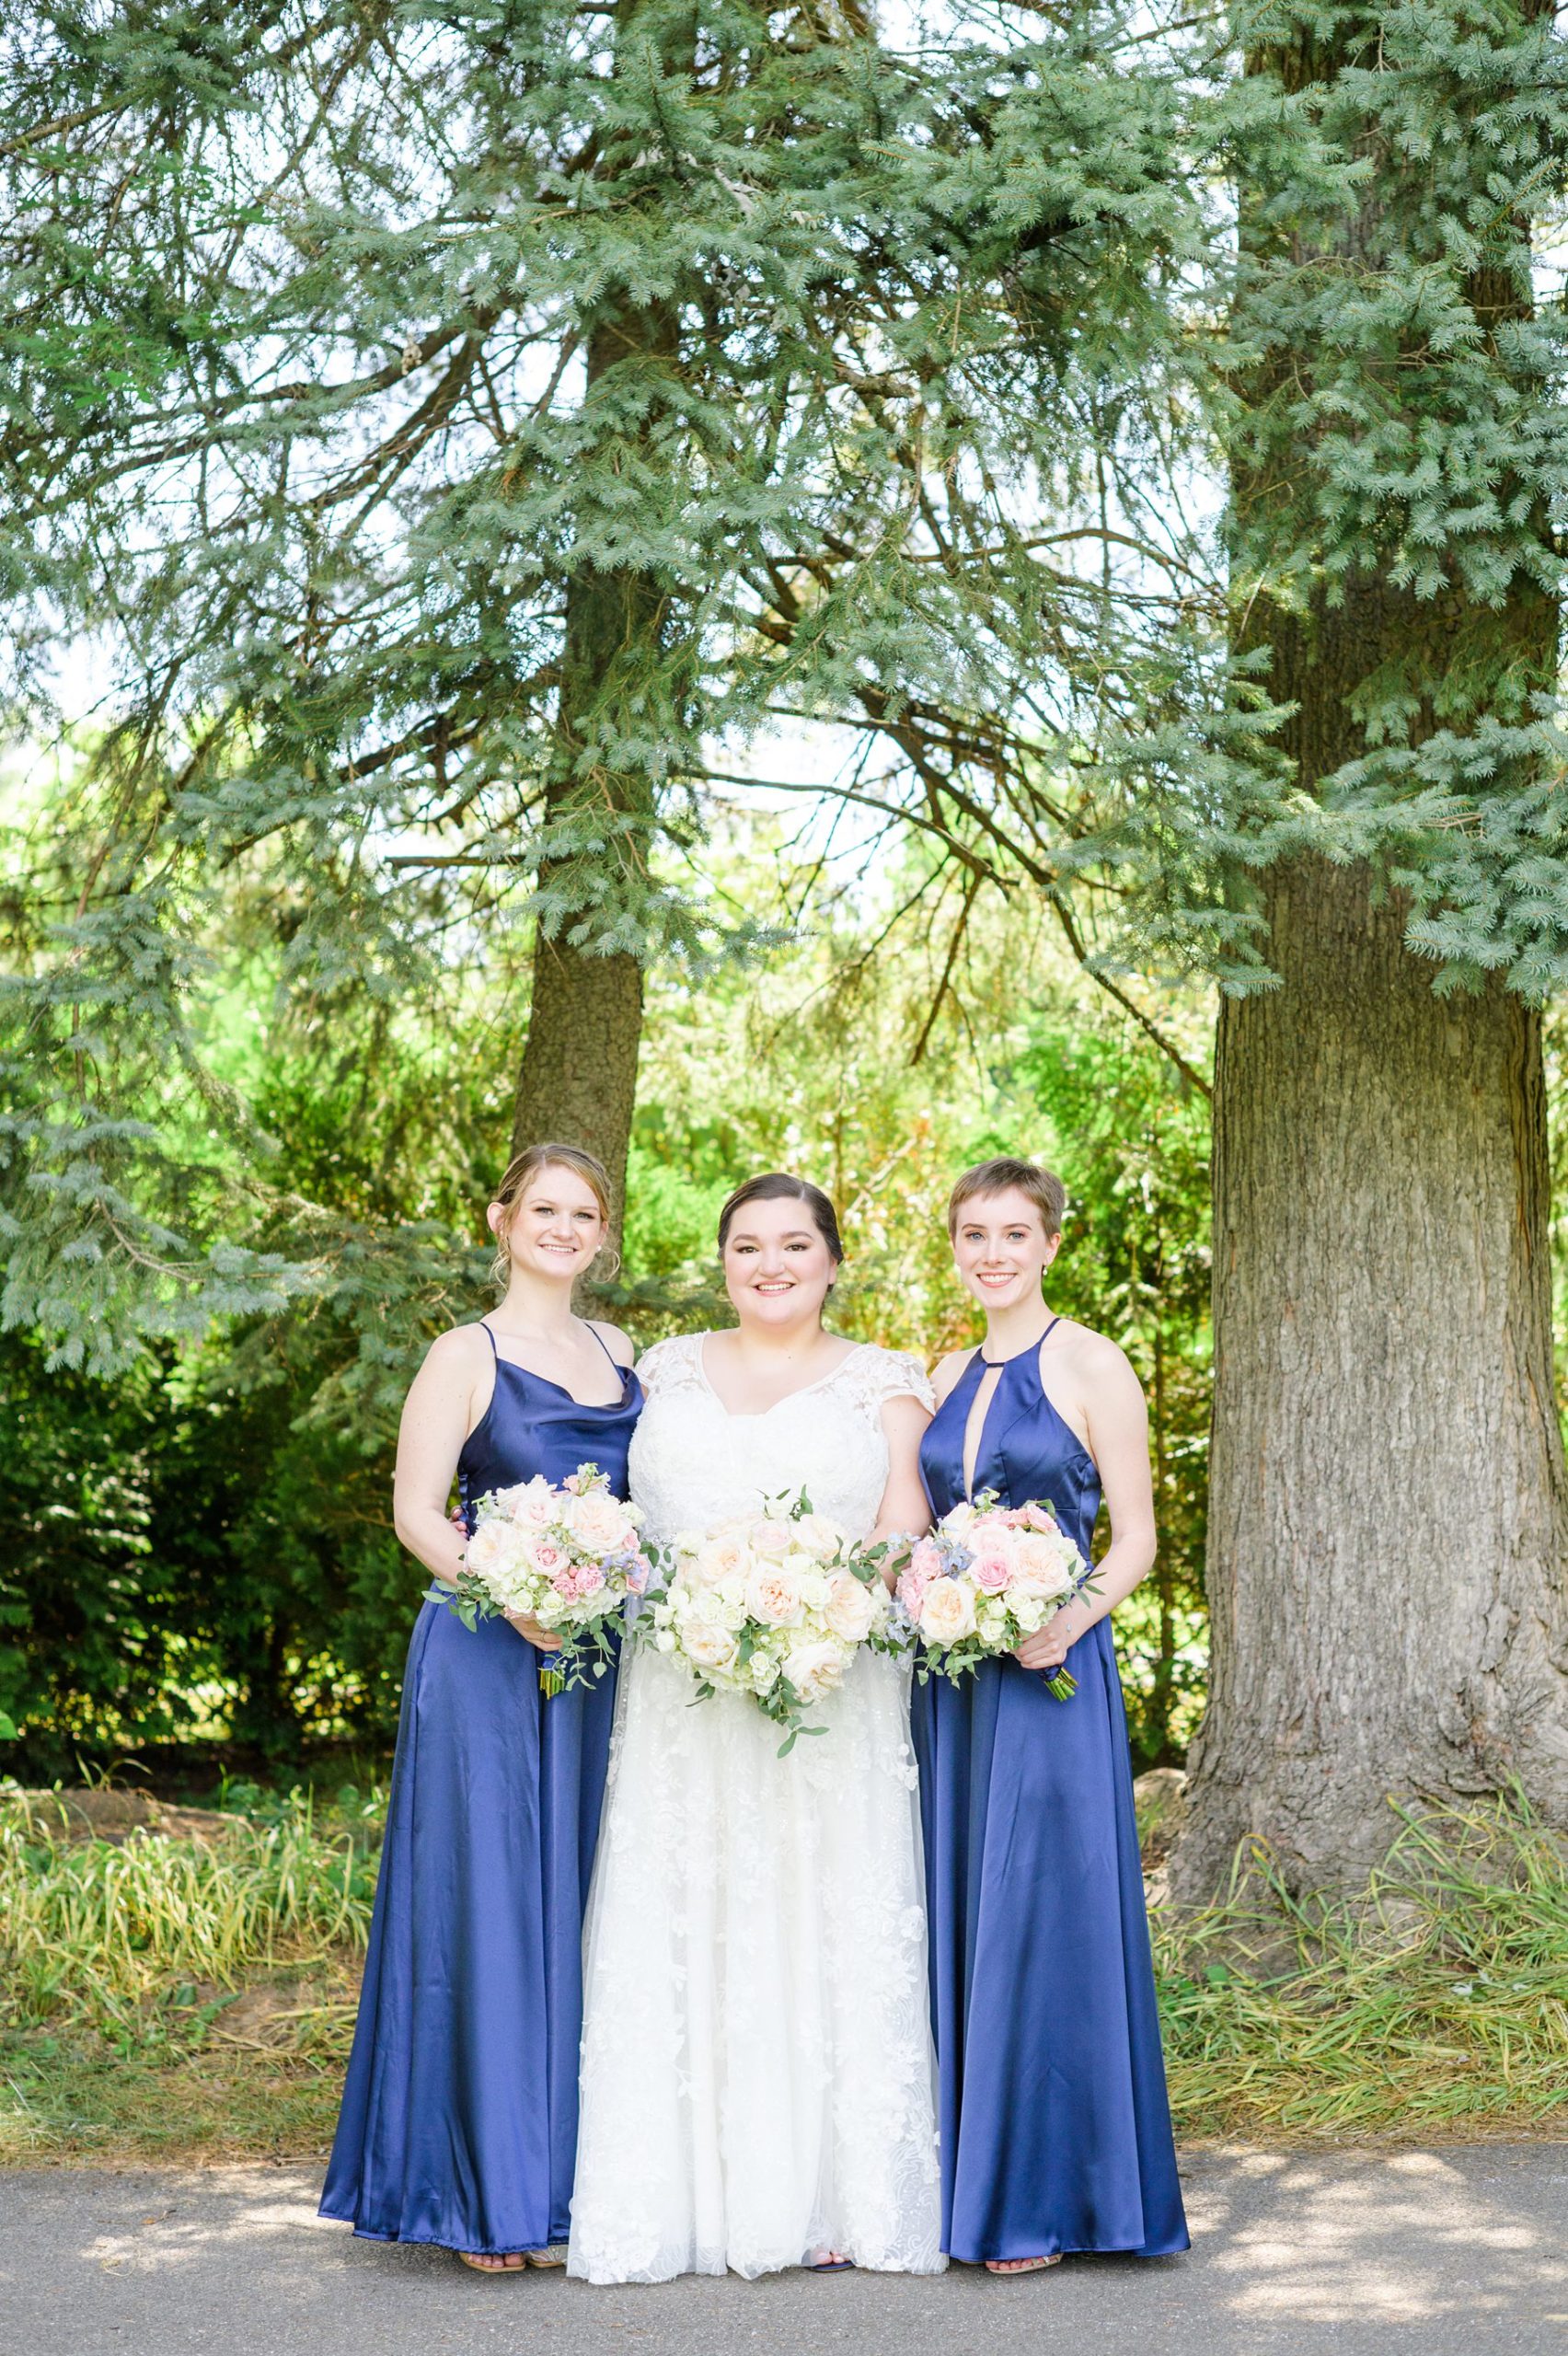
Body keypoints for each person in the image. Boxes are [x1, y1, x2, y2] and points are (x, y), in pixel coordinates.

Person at [566, 1172, 944, 2283]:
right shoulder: (665, 1366)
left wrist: (818, 1607)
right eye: (747, 1245)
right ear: (722, 1262)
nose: (769, 1263)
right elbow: (623, 1514)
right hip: (679, 1685)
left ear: (833, 1260)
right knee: (690, 1910)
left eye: (793, 1243)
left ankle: (830, 2195)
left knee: (821, 1907)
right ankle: (688, 2197)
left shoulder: (886, 1380)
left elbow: (902, 1522)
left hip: (829, 1683)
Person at [318, 1143, 641, 2273]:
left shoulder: (623, 1350)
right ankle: (479, 2196)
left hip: (599, 1659)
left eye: (583, 1212)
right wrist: (519, 1594)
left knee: (584, 1904)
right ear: (501, 1218)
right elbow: (417, 1512)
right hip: (485, 1655)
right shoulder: (466, 1351)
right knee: (492, 1907)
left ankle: (566, 2186)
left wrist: (588, 1597)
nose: (562, 1227)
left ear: (603, 1232)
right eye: (542, 1208)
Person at [911, 1155, 1188, 2274]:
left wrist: (1064, 1619)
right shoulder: (941, 1369)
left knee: (1042, 1915)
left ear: (1051, 1244)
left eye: (1013, 1233)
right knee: (965, 1908)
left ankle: (1050, 2198)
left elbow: (1135, 1539)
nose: (992, 1253)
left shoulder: (1090, 1361)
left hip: (1051, 1672)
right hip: (955, 1681)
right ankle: (967, 2177)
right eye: (973, 1233)